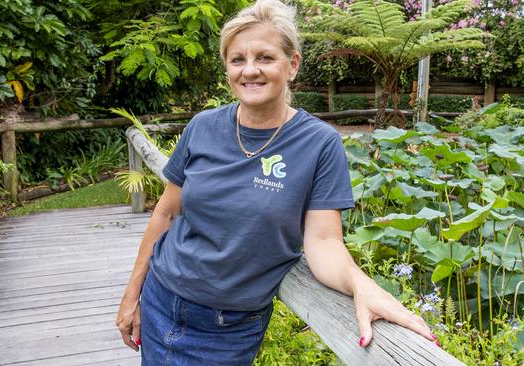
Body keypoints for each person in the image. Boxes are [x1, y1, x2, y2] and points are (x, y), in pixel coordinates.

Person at [115, 0, 436, 364]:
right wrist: (132, 295)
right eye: (238, 60)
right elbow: (166, 215)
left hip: (229, 328)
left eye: (265, 57)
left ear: (293, 64)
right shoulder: (203, 126)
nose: (250, 71)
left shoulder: (319, 143)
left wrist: (362, 284)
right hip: (161, 299)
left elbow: (324, 241)